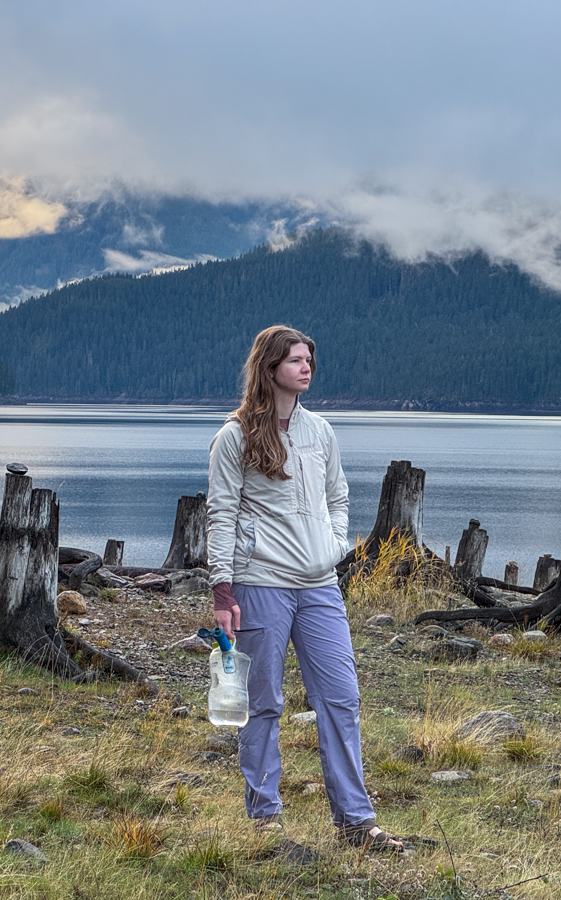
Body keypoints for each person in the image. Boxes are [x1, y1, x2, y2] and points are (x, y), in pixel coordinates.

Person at [206, 324, 403, 853]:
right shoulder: (235, 436)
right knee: (262, 703)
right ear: (270, 368)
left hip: (319, 586)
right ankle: (265, 818)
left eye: (308, 358)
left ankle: (356, 824)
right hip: (261, 582)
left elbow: (339, 497)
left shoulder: (321, 432)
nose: (306, 366)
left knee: (340, 697)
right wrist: (223, 596)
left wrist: (335, 546)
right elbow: (221, 515)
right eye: (295, 359)